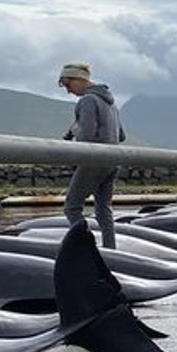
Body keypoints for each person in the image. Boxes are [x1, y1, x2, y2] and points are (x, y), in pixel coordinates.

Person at [58, 62, 124, 248]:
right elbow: (121, 135)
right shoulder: (112, 104)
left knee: (72, 207)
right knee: (104, 209)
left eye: (68, 85)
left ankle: (86, 249)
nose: (68, 91)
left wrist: (76, 134)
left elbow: (87, 136)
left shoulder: (87, 101)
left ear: (79, 80)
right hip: (114, 160)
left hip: (94, 160)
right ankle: (111, 250)